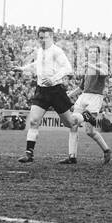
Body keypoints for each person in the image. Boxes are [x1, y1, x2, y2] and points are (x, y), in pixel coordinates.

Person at [17, 26, 82, 164]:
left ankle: (84, 117)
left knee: (70, 123)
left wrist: (54, 78)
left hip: (56, 91)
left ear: (51, 37)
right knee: (34, 121)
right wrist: (23, 68)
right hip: (41, 91)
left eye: (45, 37)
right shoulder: (40, 51)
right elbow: (37, 65)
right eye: (40, 37)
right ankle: (29, 154)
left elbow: (68, 68)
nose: (43, 40)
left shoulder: (57, 51)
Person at [70, 43, 112, 164]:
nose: (92, 54)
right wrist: (68, 95)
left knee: (89, 131)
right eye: (90, 52)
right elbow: (81, 87)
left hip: (95, 97)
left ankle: (106, 150)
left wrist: (91, 66)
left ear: (98, 54)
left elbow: (104, 73)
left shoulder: (101, 65)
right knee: (72, 124)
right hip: (84, 96)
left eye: (95, 52)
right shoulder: (87, 68)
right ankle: (72, 156)